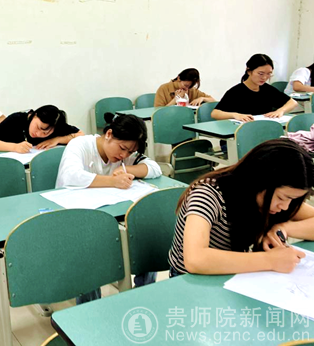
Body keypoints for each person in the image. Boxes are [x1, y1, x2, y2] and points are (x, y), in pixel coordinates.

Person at [168, 139, 314, 277]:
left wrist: (283, 228)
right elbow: (195, 260)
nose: (285, 206)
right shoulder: (208, 194)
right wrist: (270, 260)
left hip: (236, 276)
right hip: (190, 281)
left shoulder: (278, 199)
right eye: (281, 198)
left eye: (292, 199)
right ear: (259, 181)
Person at [56, 113, 162, 301]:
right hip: (77, 219)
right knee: (87, 251)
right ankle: (90, 306)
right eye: (123, 148)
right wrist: (112, 181)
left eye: (130, 152)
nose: (124, 155)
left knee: (149, 234)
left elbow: (155, 168)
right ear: (109, 134)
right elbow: (70, 176)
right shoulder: (80, 145)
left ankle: (143, 294)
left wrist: (127, 169)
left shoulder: (125, 157)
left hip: (109, 216)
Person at [211, 54, 298, 122]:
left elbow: (292, 102)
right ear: (249, 71)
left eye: (269, 74)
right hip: (241, 132)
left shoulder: (267, 89)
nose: (264, 77)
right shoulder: (236, 91)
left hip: (263, 129)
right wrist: (236, 115)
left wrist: (280, 111)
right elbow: (215, 113)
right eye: (261, 74)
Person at [0, 105, 84, 152]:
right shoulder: (16, 119)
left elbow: (81, 135)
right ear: (34, 115)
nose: (38, 134)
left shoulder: (55, 125)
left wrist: (57, 139)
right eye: (38, 127)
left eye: (45, 133)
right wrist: (15, 147)